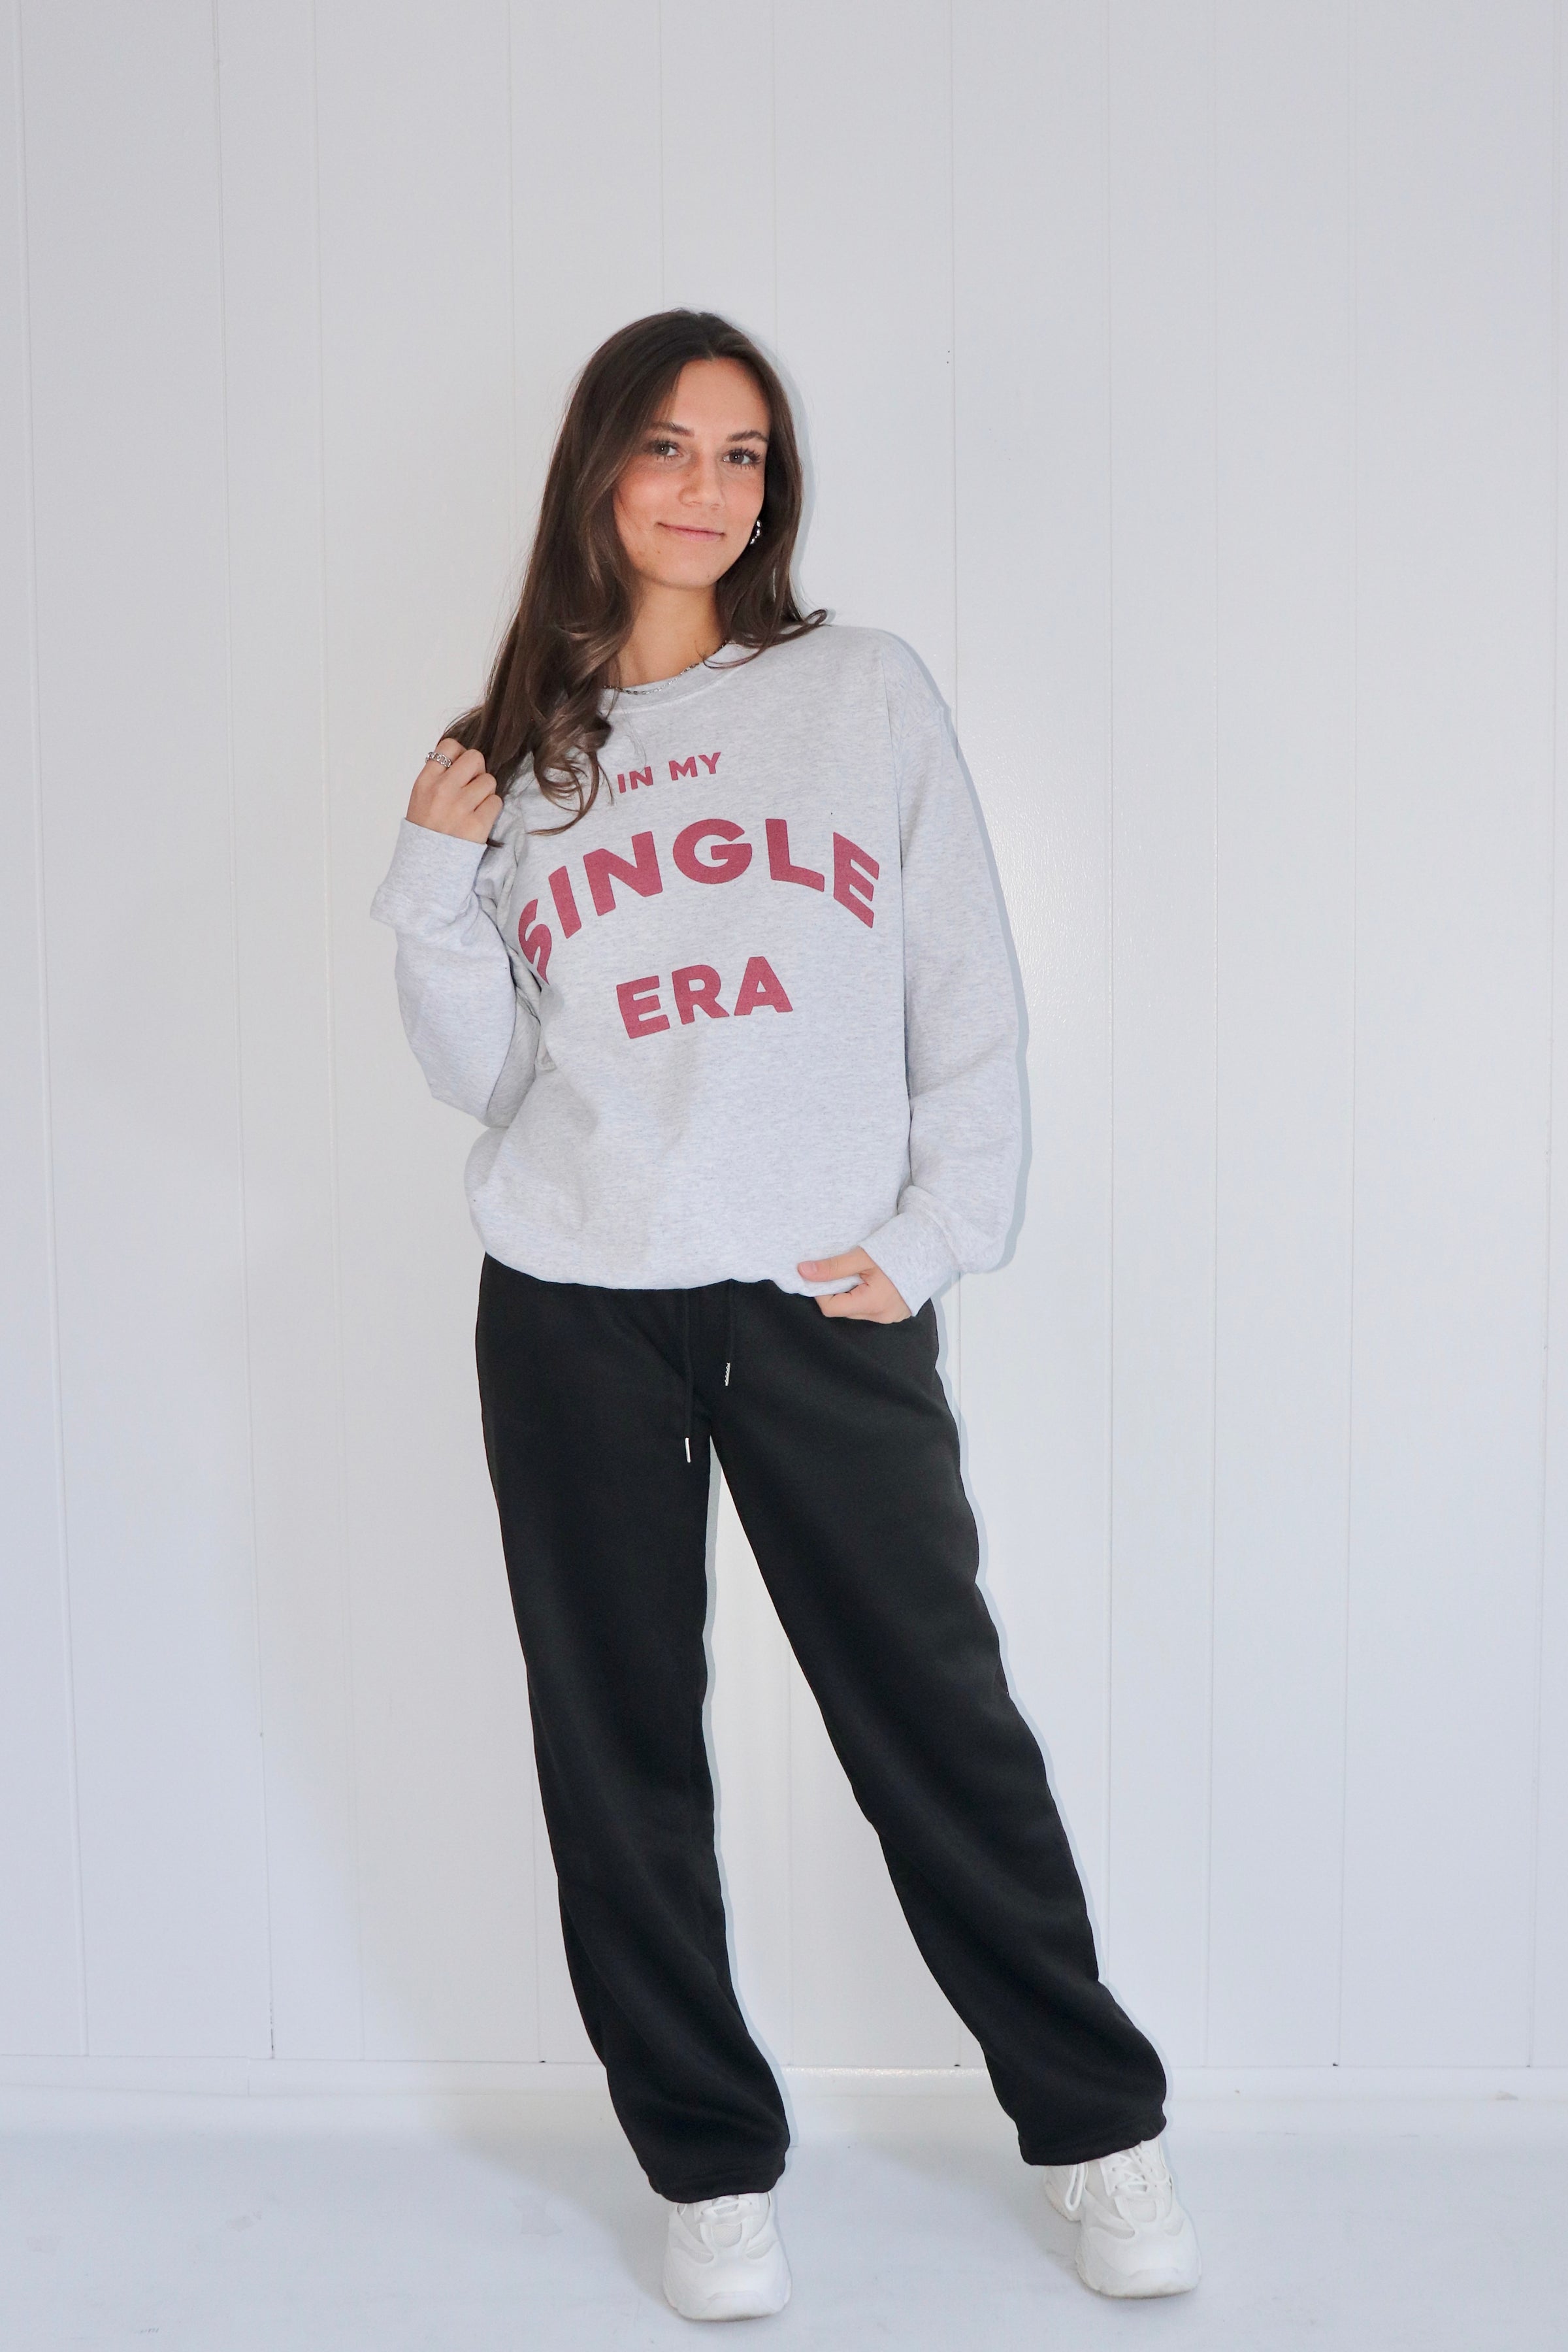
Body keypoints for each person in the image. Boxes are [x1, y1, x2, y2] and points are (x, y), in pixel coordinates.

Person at [369, 308, 1201, 2320]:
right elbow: (486, 1076)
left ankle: (1098, 2124)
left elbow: (963, 988)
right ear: (597, 470)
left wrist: (934, 1235)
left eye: (743, 455)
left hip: (822, 1299)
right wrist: (428, 882)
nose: (708, 489)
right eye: (668, 447)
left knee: (938, 1725)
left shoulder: (859, 693)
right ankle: (708, 2167)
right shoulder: (525, 751)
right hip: (575, 1306)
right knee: (620, 1753)